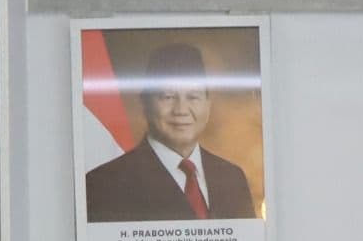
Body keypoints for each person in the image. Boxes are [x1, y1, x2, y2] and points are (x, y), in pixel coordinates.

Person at [83, 41, 260, 222]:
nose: (181, 110)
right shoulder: (105, 183)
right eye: (168, 97)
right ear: (145, 102)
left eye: (193, 97)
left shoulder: (232, 178)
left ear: (208, 104)